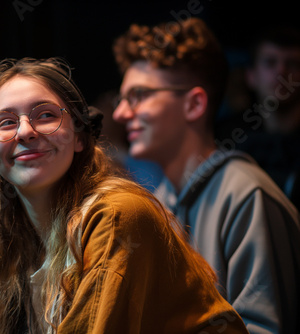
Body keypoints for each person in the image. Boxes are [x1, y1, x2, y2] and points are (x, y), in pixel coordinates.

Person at [0, 57, 248, 333]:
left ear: (80, 138)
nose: (25, 131)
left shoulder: (117, 214)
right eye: (6, 122)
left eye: (46, 115)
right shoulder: (1, 244)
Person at [112, 17, 300, 334]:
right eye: (122, 99)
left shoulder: (247, 196)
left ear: (195, 104)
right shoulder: (160, 202)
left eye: (139, 95)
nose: (120, 113)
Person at [239, 25, 300, 209]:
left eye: (293, 64)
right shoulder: (228, 141)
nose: (281, 71)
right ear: (251, 76)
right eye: (270, 62)